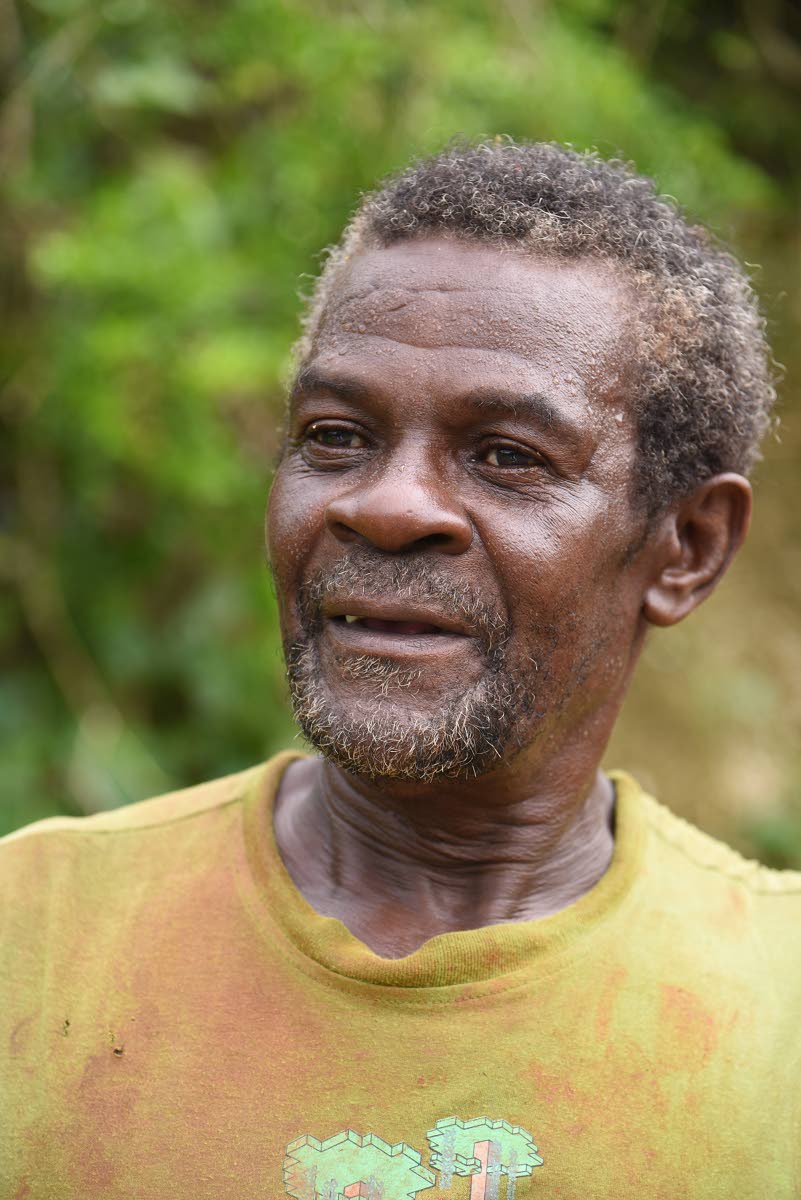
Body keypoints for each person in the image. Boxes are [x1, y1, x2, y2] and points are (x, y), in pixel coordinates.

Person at [1, 139, 798, 1200]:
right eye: (336, 436)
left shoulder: (777, 1008)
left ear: (687, 548)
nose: (383, 505)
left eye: (507, 456)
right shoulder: (31, 934)